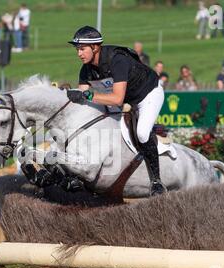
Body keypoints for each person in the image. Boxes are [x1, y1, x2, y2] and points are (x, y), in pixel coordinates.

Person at [66, 26, 166, 196]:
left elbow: (116, 99)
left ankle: (156, 181)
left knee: (142, 133)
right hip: (125, 98)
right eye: (77, 49)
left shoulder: (117, 60)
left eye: (82, 49)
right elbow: (83, 101)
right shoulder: (86, 69)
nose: (79, 54)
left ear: (95, 47)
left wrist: (86, 95)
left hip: (148, 94)